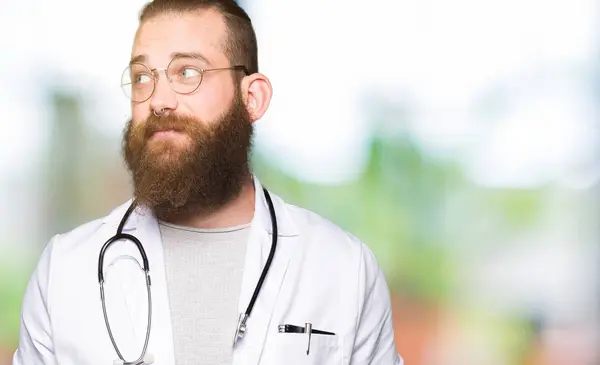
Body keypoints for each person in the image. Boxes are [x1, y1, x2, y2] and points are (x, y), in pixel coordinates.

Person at [12, 0, 403, 364]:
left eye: (187, 72)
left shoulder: (344, 269)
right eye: (142, 76)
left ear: (252, 97)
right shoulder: (64, 272)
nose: (158, 100)